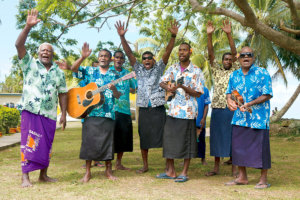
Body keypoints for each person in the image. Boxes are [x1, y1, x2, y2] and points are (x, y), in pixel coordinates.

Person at [115, 20, 180, 173]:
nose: (146, 60)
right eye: (144, 58)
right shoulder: (138, 69)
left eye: (149, 58)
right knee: (144, 138)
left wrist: (173, 36)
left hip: (158, 108)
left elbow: (167, 52)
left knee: (165, 137)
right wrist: (122, 38)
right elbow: (129, 54)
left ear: (153, 60)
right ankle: (145, 165)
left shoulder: (159, 68)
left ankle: (168, 165)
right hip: (143, 109)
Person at [15, 9, 67, 187]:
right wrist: (28, 27)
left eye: (49, 50)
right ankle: (25, 177)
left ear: (52, 54)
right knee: (27, 144)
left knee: (46, 145)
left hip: (50, 114)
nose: (46, 52)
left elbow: (63, 93)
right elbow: (19, 46)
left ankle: (43, 175)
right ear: (39, 53)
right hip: (30, 111)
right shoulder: (29, 64)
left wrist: (64, 114)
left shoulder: (59, 73)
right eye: (43, 50)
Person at [70, 43, 121, 182]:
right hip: (90, 113)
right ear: (98, 58)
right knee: (88, 143)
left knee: (108, 144)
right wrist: (82, 57)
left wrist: (114, 90)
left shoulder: (115, 75)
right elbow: (73, 69)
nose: (103, 58)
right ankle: (87, 172)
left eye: (106, 56)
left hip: (107, 114)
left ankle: (108, 172)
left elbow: (118, 96)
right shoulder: (90, 71)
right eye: (100, 56)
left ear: (110, 59)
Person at [225, 47, 273, 189]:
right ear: (239, 58)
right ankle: (242, 177)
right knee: (239, 148)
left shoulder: (262, 73)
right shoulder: (234, 75)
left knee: (261, 149)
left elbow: (268, 94)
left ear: (253, 57)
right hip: (239, 117)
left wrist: (250, 103)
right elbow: (230, 93)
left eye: (249, 55)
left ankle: (263, 180)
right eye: (243, 55)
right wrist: (230, 101)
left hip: (258, 118)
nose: (246, 57)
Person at [157, 42, 204, 182]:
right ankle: (171, 171)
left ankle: (184, 172)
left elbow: (198, 93)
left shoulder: (196, 71)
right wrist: (169, 88)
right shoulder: (173, 68)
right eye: (180, 51)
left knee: (187, 141)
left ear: (190, 51)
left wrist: (182, 86)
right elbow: (161, 81)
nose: (181, 52)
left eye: (184, 50)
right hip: (173, 111)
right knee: (169, 140)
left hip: (188, 112)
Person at [206, 20, 238, 177]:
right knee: (217, 138)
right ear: (222, 61)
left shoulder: (236, 71)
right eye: (226, 59)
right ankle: (216, 168)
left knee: (233, 137)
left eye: (230, 60)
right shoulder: (216, 71)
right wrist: (209, 35)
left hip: (232, 108)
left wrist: (228, 34)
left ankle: (234, 169)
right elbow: (211, 53)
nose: (228, 61)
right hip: (217, 108)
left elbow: (234, 51)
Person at [109, 50, 137, 170]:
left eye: (121, 58)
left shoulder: (128, 74)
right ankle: (108, 164)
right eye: (117, 57)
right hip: (111, 110)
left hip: (125, 110)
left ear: (124, 61)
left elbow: (135, 88)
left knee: (123, 138)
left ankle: (118, 163)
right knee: (111, 138)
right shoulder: (108, 72)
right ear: (113, 59)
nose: (119, 60)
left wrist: (130, 89)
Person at [196, 86, 211, 165]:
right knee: (188, 141)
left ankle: (203, 159)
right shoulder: (189, 88)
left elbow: (206, 105)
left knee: (201, 140)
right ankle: (186, 159)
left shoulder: (205, 89)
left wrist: (204, 118)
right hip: (190, 119)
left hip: (200, 120)